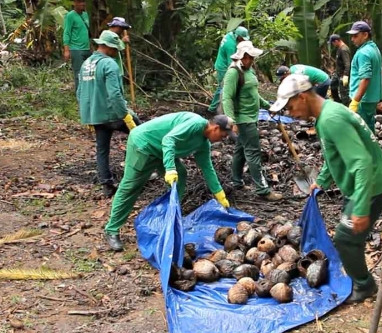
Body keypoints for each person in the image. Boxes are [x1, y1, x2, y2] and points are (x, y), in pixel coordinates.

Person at [270, 74, 382, 303]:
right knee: (350, 235)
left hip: (374, 182)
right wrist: (323, 180)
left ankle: (364, 285)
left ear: (302, 97)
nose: (289, 113)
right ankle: (361, 277)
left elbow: (361, 163)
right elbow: (333, 154)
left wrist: (360, 206)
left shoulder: (331, 119)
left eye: (290, 106)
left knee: (346, 238)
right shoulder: (325, 114)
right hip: (368, 180)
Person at [103, 113, 234, 251]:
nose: (223, 140)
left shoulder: (203, 143)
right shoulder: (195, 124)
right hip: (143, 145)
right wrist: (170, 168)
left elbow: (207, 168)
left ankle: (169, 218)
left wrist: (219, 194)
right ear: (215, 128)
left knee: (181, 175)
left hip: (161, 151)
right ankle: (112, 229)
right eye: (223, 135)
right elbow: (169, 139)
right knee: (130, 187)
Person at [77, 30, 139, 198]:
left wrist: (88, 116)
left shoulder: (86, 64)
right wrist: (125, 114)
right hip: (113, 114)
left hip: (95, 116)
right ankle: (143, 173)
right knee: (143, 136)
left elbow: (80, 91)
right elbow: (115, 94)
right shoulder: (109, 64)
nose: (116, 52)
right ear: (109, 47)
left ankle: (107, 185)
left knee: (102, 150)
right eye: (115, 49)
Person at [223, 41, 282, 201]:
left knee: (240, 150)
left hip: (252, 116)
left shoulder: (249, 71)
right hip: (243, 119)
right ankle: (263, 190)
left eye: (252, 57)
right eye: (247, 57)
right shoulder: (233, 72)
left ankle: (236, 181)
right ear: (241, 56)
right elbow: (227, 97)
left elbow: (254, 93)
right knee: (254, 153)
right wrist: (231, 120)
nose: (250, 60)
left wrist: (267, 106)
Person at [347, 21, 382, 132]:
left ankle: (367, 149)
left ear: (365, 35)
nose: (352, 39)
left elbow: (365, 79)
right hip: (372, 96)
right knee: (368, 124)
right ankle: (373, 148)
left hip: (363, 98)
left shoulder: (363, 53)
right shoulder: (374, 48)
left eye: (355, 36)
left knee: (362, 129)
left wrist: (355, 101)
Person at [207, 27, 251, 115]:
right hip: (223, 67)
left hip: (221, 63)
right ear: (238, 36)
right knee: (224, 87)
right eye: (242, 39)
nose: (243, 40)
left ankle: (212, 108)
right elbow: (231, 63)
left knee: (222, 87)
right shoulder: (230, 45)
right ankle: (214, 109)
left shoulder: (230, 35)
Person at [63, 0, 91, 92]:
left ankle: (87, 94)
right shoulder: (70, 15)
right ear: (74, 3)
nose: (82, 4)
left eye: (83, 2)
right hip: (76, 49)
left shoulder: (85, 14)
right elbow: (67, 32)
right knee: (79, 74)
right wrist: (66, 50)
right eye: (79, 2)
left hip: (87, 49)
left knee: (89, 73)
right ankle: (80, 95)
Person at [329, 34, 351, 105]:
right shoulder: (339, 48)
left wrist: (346, 75)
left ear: (336, 41)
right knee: (333, 85)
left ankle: (347, 107)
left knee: (344, 93)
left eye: (332, 43)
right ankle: (338, 102)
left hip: (343, 75)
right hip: (337, 73)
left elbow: (347, 64)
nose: (333, 45)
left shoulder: (344, 49)